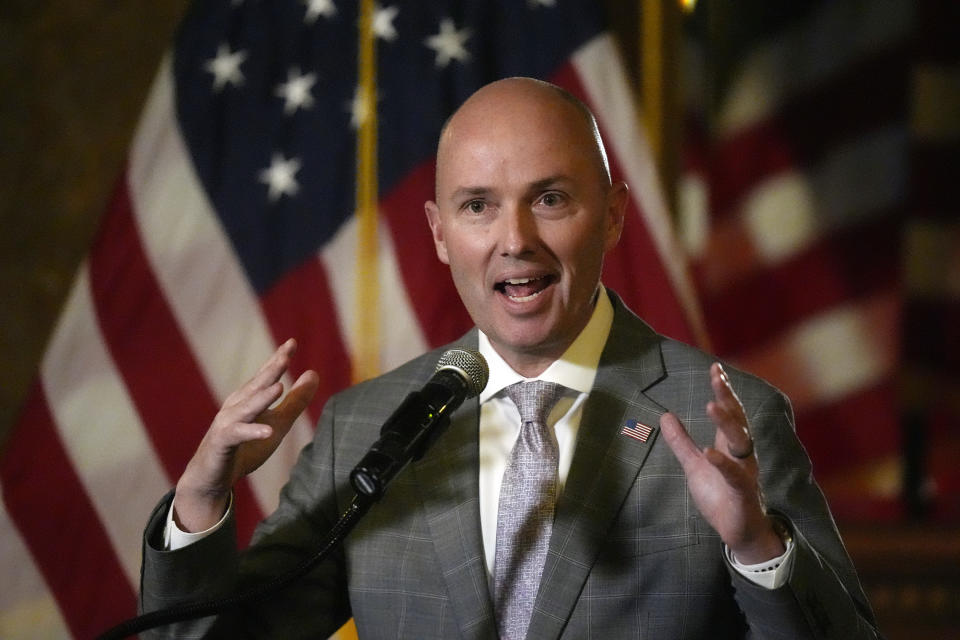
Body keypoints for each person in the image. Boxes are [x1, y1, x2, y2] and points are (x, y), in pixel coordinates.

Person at [140, 78, 881, 639]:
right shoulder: (367, 427)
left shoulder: (729, 417)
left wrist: (758, 547)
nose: (514, 239)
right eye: (477, 206)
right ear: (437, 233)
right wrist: (200, 504)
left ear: (615, 214)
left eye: (550, 199)